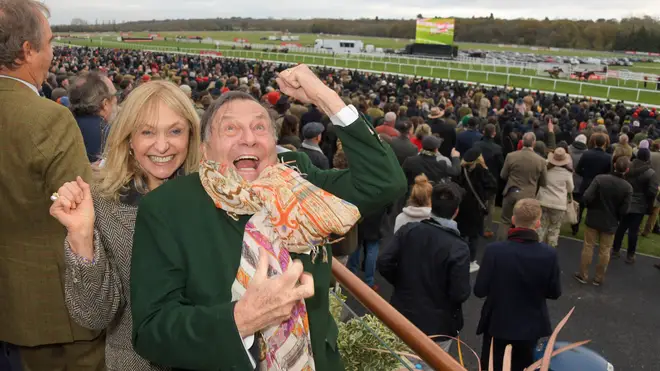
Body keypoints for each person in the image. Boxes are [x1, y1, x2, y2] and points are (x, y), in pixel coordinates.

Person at [129, 64, 407, 371]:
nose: (248, 139)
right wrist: (241, 320)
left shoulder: (298, 180)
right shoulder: (168, 207)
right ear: (205, 150)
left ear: (273, 144)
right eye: (230, 129)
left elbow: (384, 182)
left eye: (260, 127)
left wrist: (324, 96)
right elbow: (152, 330)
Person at [49, 81, 201, 370]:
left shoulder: (213, 194)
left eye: (175, 131)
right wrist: (82, 237)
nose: (162, 145)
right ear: (129, 137)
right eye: (147, 132)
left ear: (191, 135)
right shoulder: (100, 202)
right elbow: (94, 315)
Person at [0, 1, 105, 369]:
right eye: (49, 43)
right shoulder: (48, 118)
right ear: (27, 51)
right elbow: (82, 213)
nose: (52, 53)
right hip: (49, 317)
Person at [378, 182, 471, 356]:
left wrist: (402, 281)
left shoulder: (409, 230)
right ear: (456, 211)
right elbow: (460, 292)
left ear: (431, 206)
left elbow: (384, 261)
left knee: (398, 363)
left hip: (403, 314)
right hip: (438, 326)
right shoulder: (458, 247)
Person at [475, 199, 561, 371]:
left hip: (498, 324)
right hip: (530, 328)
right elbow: (554, 292)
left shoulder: (495, 251)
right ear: (537, 223)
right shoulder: (549, 255)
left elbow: (479, 290)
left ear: (513, 220)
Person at [575, 157, 633, 286]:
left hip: (594, 217)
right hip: (611, 221)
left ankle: (583, 274)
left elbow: (586, 196)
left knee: (588, 246)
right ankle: (598, 278)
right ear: (627, 170)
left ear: (614, 165)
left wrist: (591, 207)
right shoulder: (627, 187)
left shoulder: (600, 179)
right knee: (605, 250)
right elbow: (625, 210)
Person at [497, 132, 547, 241]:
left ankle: (501, 244)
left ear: (523, 141)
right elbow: (544, 182)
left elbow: (503, 175)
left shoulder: (511, 156)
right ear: (534, 143)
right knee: (525, 225)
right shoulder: (541, 161)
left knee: (505, 221)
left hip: (511, 192)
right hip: (527, 197)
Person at [611, 148, 658, 264]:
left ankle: (615, 250)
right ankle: (630, 255)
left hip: (626, 200)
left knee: (621, 227)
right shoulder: (650, 173)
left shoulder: (628, 166)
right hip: (640, 204)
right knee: (633, 230)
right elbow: (652, 191)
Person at [456, 148, 497, 272]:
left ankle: (458, 256)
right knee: (473, 236)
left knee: (461, 233)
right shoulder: (482, 171)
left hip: (462, 206)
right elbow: (493, 186)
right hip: (476, 207)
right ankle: (471, 261)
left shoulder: (459, 170)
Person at [68, 71, 119, 163]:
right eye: (114, 95)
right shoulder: (109, 134)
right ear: (105, 103)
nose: (116, 100)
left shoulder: (62, 123)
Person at [536, 148, 574, 247]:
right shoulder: (567, 173)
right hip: (558, 204)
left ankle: (537, 248)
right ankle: (550, 251)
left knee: (540, 226)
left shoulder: (545, 167)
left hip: (543, 201)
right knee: (554, 229)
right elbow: (570, 188)